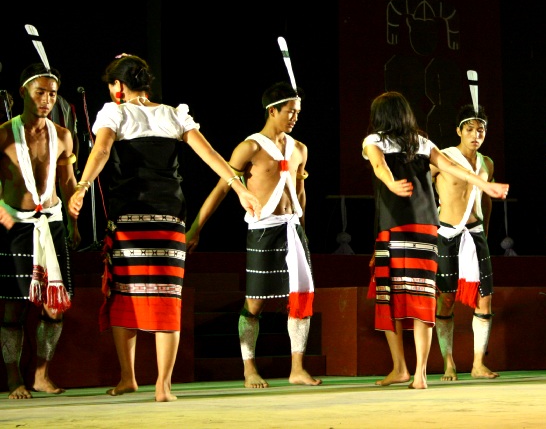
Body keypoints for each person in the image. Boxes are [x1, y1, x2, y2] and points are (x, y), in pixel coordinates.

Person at [67, 54, 260, 402]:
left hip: (129, 219)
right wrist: (240, 188)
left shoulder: (115, 113)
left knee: (124, 296)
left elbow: (101, 151)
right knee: (167, 297)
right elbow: (211, 155)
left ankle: (129, 378)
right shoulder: (173, 114)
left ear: (118, 86)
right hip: (169, 219)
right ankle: (162, 386)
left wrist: (81, 186)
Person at [363, 92, 508, 390]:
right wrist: (485, 185)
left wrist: (391, 183)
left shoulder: (374, 140)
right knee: (423, 299)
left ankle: (401, 368)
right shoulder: (423, 143)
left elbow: (379, 167)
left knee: (389, 297)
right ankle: (420, 375)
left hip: (395, 227)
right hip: (429, 229)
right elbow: (454, 168)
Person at [185, 81, 321, 388]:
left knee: (301, 299)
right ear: (272, 111)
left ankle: (297, 369)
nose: (295, 117)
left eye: (297, 112)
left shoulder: (300, 149)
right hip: (262, 231)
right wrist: (195, 229)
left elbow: (300, 192)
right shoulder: (250, 147)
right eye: (289, 111)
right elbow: (222, 188)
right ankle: (249, 369)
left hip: (293, 229)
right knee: (255, 303)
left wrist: (304, 231)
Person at [0, 63, 80, 399]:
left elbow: (67, 181)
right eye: (40, 92)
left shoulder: (63, 135)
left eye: (52, 94)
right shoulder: (4, 134)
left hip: (52, 222)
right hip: (15, 225)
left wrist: (74, 221)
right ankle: (13, 378)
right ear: (23, 93)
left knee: (54, 306)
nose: (47, 100)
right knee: (13, 307)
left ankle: (41, 375)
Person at [431, 104, 498, 381]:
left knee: (485, 299)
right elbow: (422, 190)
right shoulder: (443, 157)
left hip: (476, 234)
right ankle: (448, 363)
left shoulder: (487, 163)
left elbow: (486, 200)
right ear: (459, 131)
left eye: (480, 130)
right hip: (447, 233)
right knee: (446, 299)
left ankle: (478, 364)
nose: (475, 135)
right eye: (469, 129)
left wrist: (486, 231)